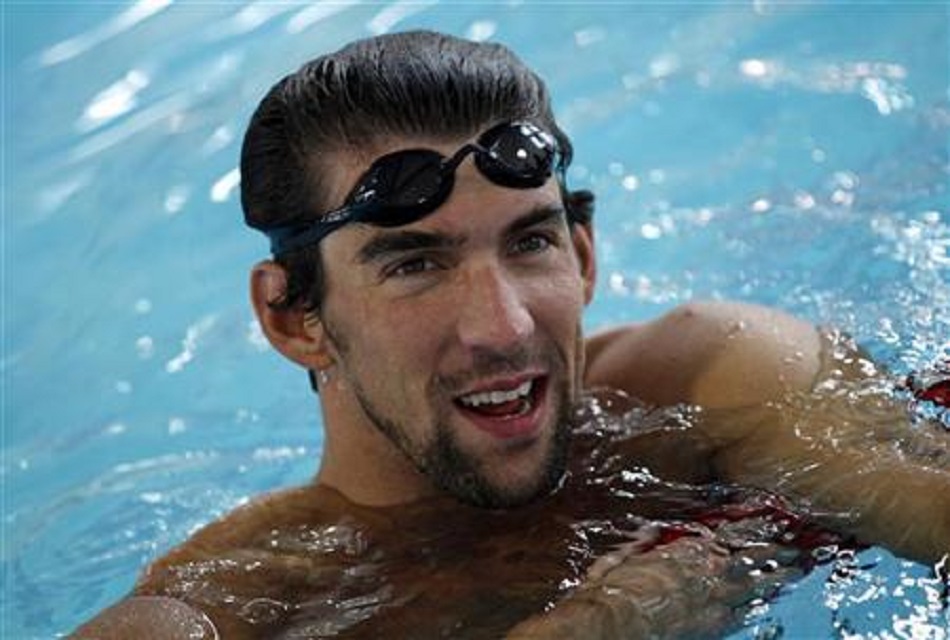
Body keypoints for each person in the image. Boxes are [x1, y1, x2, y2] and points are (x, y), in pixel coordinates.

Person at [74, 30, 949, 639]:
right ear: (293, 318)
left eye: (530, 243)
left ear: (584, 253)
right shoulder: (240, 608)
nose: (505, 326)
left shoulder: (716, 380)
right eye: (415, 264)